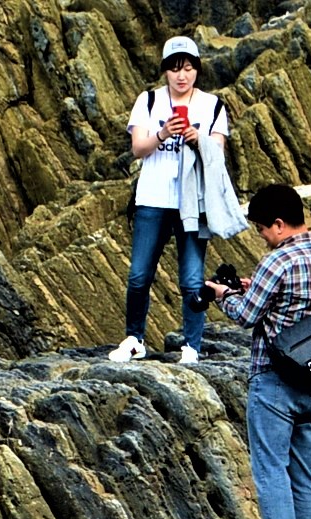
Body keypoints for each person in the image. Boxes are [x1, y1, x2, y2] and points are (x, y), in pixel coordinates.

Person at [205, 184, 311, 519]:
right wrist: (257, 289)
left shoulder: (277, 261)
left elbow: (246, 315)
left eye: (263, 229)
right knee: (305, 469)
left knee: (270, 468)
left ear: (279, 224)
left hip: (274, 377)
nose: (263, 237)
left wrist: (223, 294)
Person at [110, 37, 230, 366]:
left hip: (194, 203)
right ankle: (134, 339)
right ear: (165, 71)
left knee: (191, 279)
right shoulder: (148, 101)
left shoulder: (212, 105)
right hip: (152, 198)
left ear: (197, 70)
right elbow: (138, 148)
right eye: (175, 68)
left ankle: (192, 346)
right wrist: (163, 134)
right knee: (139, 275)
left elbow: (218, 153)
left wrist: (196, 138)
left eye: (188, 68)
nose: (182, 75)